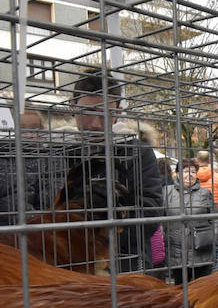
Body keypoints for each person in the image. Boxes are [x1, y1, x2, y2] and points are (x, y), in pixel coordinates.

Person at [70, 70, 166, 273]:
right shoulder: (58, 153)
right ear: (72, 107)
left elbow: (150, 211)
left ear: (118, 113)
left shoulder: (137, 152)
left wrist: (95, 237)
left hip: (127, 266)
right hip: (67, 264)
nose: (96, 124)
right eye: (88, 112)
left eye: (107, 113)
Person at [162, 158, 218, 284]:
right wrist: (163, 236)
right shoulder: (167, 192)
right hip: (176, 250)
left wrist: (214, 236)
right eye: (186, 171)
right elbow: (160, 218)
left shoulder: (205, 193)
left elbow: (214, 218)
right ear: (177, 174)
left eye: (193, 172)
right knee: (181, 288)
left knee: (201, 287)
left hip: (202, 249)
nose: (189, 175)